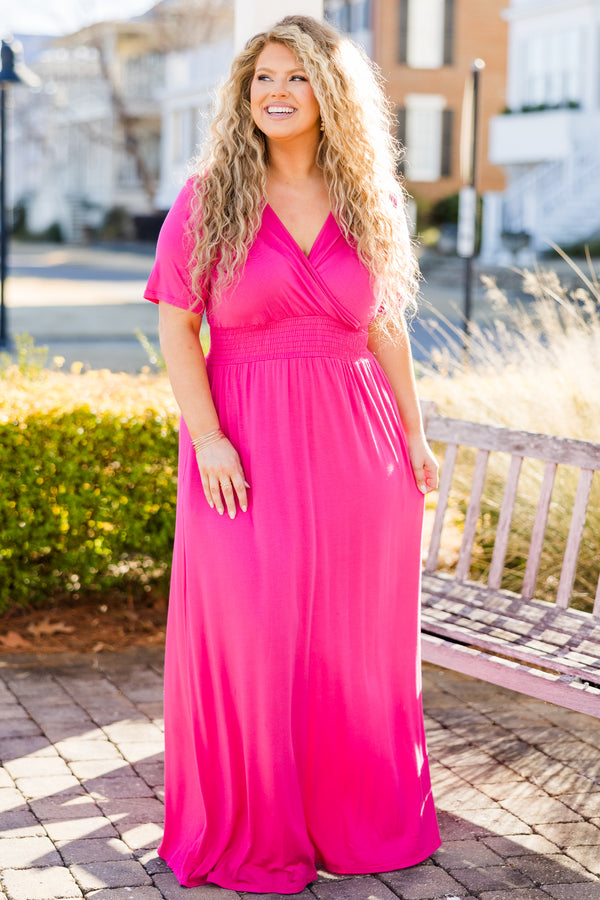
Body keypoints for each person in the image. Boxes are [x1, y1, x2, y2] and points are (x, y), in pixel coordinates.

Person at [144, 14, 441, 894]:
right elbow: (177, 329)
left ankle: (349, 822)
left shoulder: (369, 199)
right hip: (244, 445)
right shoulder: (208, 199)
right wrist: (209, 440)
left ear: (331, 92)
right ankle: (259, 825)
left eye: (296, 76)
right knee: (253, 634)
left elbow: (384, 328)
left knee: (352, 647)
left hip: (361, 452)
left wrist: (415, 433)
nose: (276, 92)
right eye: (262, 78)